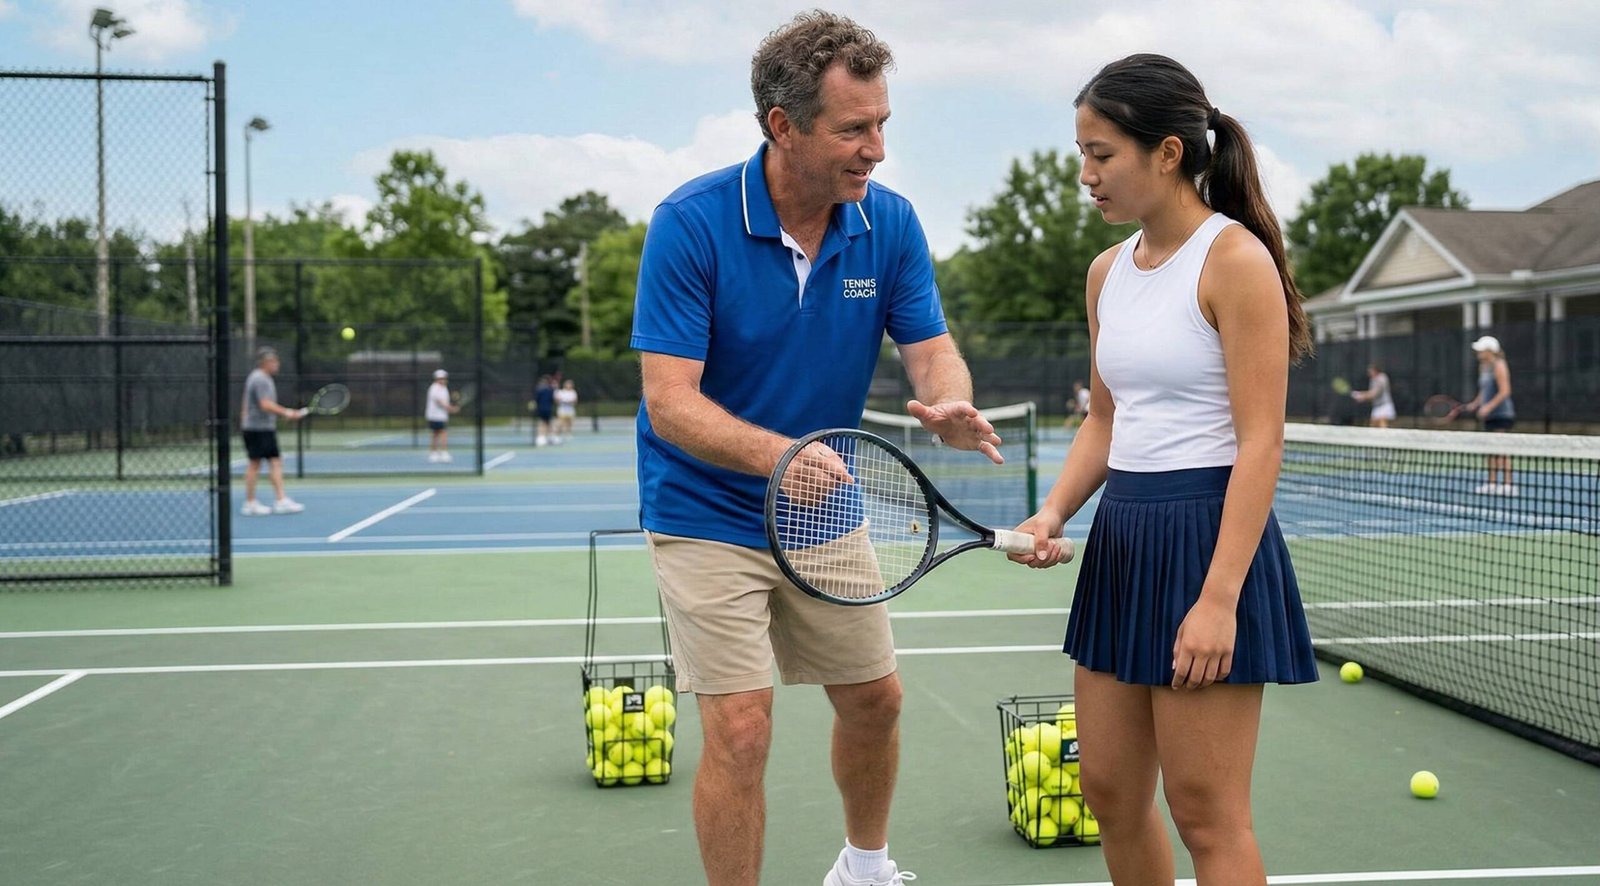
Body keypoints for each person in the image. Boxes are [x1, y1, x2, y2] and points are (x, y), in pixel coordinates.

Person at [630, 11, 999, 886]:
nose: (875, 149)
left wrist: (950, 397)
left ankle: (863, 868)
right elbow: (669, 402)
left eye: (881, 126)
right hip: (706, 512)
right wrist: (777, 458)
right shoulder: (691, 223)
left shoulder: (891, 224)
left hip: (825, 512)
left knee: (875, 700)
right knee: (743, 727)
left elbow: (931, 345)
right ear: (783, 126)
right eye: (853, 129)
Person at [1006, 54, 1319, 886]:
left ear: (1169, 153)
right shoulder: (1106, 274)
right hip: (1124, 540)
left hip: (1207, 542)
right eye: (1083, 152)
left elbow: (1262, 443)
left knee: (1206, 815)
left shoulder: (1235, 261)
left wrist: (1218, 601)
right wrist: (1053, 512)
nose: (1086, 174)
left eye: (1102, 153)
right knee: (1108, 791)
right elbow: (1106, 420)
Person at [239, 347, 306, 515]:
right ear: (265, 362)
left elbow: (252, 405)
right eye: (273, 361)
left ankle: (280, 499)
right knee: (256, 464)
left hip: (260, 427)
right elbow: (265, 404)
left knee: (274, 462)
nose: (277, 364)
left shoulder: (259, 378)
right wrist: (287, 412)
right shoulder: (260, 379)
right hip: (258, 429)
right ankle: (251, 502)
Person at [1457, 335, 1516, 494]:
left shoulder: (1499, 365)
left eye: (1481, 350)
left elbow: (1505, 392)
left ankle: (1508, 485)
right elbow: (1484, 391)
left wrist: (1488, 407)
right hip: (1489, 415)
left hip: (1502, 414)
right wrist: (1475, 404)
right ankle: (1491, 483)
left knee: (1501, 449)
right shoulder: (1484, 367)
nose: (1478, 353)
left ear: (1490, 351)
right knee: (1490, 448)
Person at [424, 368, 460, 463]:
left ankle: (436, 453)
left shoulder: (444, 388)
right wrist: (451, 408)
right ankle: (440, 453)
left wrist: (449, 408)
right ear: (436, 379)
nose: (442, 380)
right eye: (440, 378)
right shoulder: (434, 388)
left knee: (437, 433)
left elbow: (444, 402)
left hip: (441, 415)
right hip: (434, 415)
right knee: (440, 433)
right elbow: (440, 402)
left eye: (444, 378)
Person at [1351, 363, 1395, 428]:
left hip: (1384, 406)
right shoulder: (1373, 380)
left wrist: (1361, 395)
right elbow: (1371, 393)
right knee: (1373, 426)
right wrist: (1361, 396)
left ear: (1376, 370)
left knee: (1383, 425)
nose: (1369, 373)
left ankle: (1386, 437)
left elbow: (1375, 393)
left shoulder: (1382, 378)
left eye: (1370, 371)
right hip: (1376, 407)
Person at [532, 375, 556, 446]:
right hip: (547, 408)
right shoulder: (551, 390)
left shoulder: (539, 390)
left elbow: (536, 400)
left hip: (542, 408)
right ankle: (545, 438)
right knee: (546, 423)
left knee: (543, 423)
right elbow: (553, 400)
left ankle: (543, 438)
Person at [554, 378, 579, 443]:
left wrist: (570, 402)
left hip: (570, 410)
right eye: (568, 384)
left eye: (570, 384)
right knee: (560, 423)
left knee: (569, 423)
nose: (569, 386)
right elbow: (557, 401)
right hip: (562, 410)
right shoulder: (561, 392)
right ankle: (557, 436)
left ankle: (568, 434)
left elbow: (575, 401)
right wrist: (561, 400)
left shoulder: (573, 392)